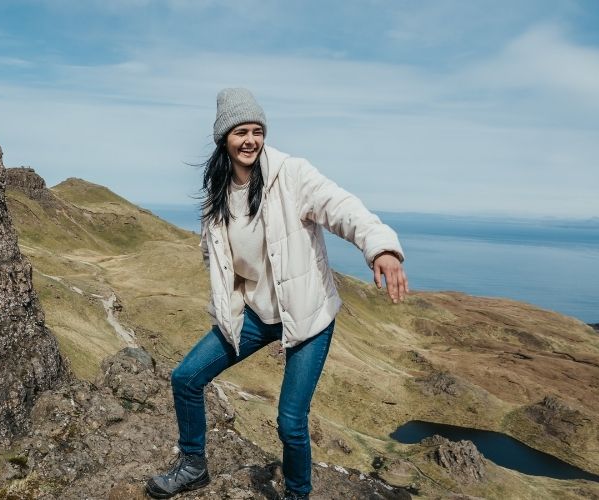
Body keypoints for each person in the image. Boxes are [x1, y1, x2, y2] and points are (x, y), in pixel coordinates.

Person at [145, 88, 408, 499]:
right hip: (253, 314)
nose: (250, 140)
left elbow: (341, 207)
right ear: (224, 139)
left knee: (290, 422)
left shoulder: (292, 174)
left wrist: (381, 246)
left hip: (306, 316)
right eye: (240, 132)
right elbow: (217, 253)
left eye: (256, 131)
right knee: (186, 379)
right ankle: (194, 466)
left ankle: (297, 494)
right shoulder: (217, 189)